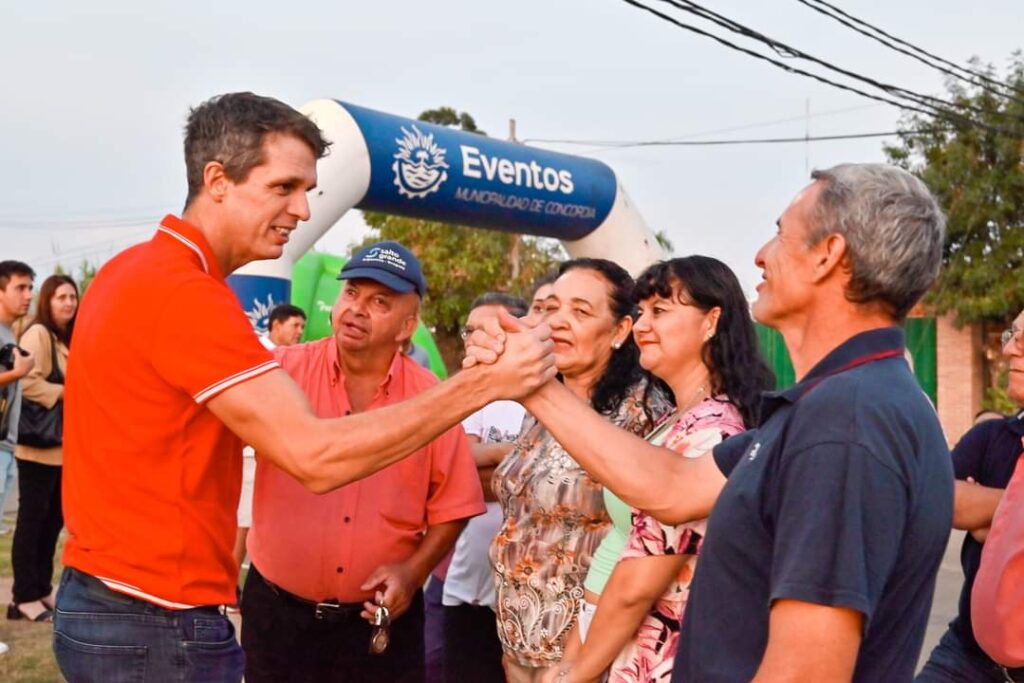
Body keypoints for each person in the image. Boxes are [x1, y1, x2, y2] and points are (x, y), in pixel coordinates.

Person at [53, 92, 555, 683]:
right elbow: (314, 455)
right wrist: (482, 385)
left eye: (310, 189)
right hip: (155, 616)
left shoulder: (136, 269)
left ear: (408, 321)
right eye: (283, 187)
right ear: (217, 180)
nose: (301, 208)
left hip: (121, 602)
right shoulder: (185, 294)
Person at [469, 163, 950, 681]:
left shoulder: (846, 420)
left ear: (828, 255)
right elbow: (673, 486)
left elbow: (805, 670)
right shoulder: (832, 402)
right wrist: (533, 382)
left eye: (780, 234)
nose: (761, 255)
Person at [241, 241, 485, 682]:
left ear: (407, 326)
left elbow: (456, 503)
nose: (357, 309)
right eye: (352, 293)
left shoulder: (432, 400)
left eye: (379, 302)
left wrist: (413, 574)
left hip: (379, 621)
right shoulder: (279, 372)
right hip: (277, 616)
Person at [544, 256, 773, 683]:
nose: (642, 326)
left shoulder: (712, 434)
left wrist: (570, 675)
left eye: (660, 312)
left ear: (711, 321)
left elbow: (637, 587)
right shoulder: (676, 420)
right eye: (641, 312)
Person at [490, 258, 673, 682]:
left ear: (620, 331)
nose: (559, 321)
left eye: (581, 311)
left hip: (586, 657)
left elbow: (645, 551)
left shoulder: (642, 417)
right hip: (517, 644)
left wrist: (578, 664)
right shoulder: (542, 400)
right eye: (553, 307)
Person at [916, 311, 1024, 681]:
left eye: (1022, 341)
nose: (1008, 349)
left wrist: (991, 517)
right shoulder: (993, 437)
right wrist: (1012, 512)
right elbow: (935, 498)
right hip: (967, 657)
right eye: (1011, 335)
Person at [436, 292, 530, 683]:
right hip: (465, 587)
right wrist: (521, 456)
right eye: (469, 329)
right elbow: (454, 468)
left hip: (527, 596)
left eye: (485, 329)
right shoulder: (465, 395)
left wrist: (487, 467)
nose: (472, 338)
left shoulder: (548, 396)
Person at [8, 275, 78, 624]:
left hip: (61, 448)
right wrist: (67, 392)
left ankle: (40, 587)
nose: (68, 303)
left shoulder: (62, 338)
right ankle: (23, 596)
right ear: (47, 302)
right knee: (32, 521)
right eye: (60, 297)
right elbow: (26, 380)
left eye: (72, 297)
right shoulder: (38, 334)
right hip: (38, 447)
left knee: (53, 521)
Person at [234, 303, 308, 572]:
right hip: (249, 452)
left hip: (274, 453)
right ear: (276, 325)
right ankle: (230, 590)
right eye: (295, 325)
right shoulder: (256, 353)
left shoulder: (295, 357)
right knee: (243, 522)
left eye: (302, 326)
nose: (300, 331)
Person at [0, 262, 35, 534]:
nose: (28, 295)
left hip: (7, 446)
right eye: (20, 288)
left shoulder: (9, 333)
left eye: (31, 288)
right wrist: (18, 373)